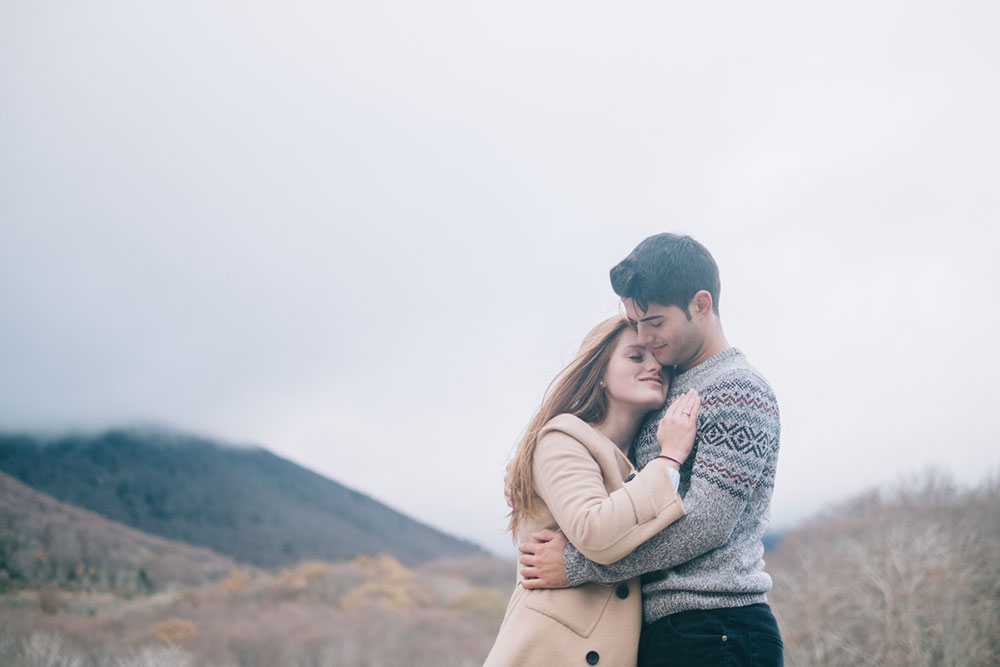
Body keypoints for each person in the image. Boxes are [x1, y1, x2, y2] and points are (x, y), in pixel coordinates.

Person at [517, 233, 784, 666]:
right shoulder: (666, 385)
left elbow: (707, 524)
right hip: (662, 628)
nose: (644, 336)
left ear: (701, 305)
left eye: (655, 322)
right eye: (635, 322)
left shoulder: (739, 390)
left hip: (718, 626)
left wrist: (580, 567)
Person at [484, 315, 703, 667]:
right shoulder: (563, 436)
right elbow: (595, 530)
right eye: (636, 357)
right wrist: (670, 457)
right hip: (548, 654)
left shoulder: (632, 459)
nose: (653, 366)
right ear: (600, 373)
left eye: (658, 359)